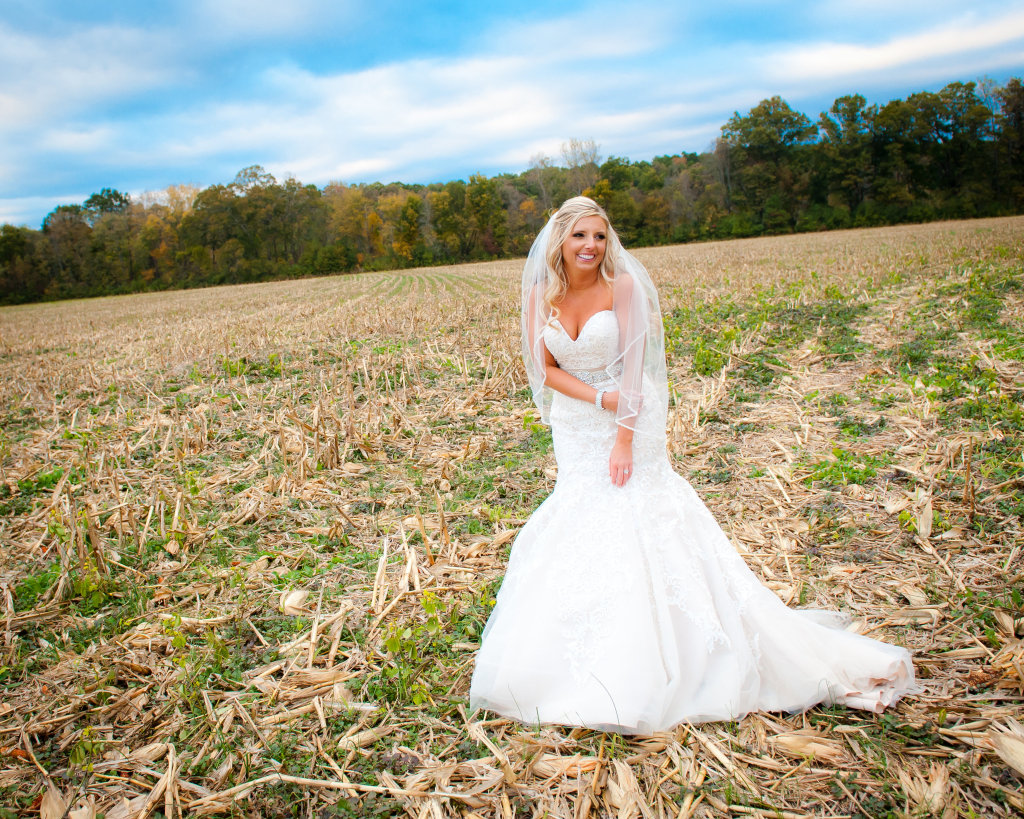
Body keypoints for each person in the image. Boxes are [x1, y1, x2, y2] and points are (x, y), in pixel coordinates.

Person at [468, 196, 918, 734]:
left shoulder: (625, 289)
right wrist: (596, 399)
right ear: (559, 241)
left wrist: (624, 440)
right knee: (583, 518)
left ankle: (687, 649)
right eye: (580, 236)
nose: (591, 246)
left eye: (600, 236)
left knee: (641, 513)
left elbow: (635, 374)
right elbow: (544, 371)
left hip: (631, 421)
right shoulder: (541, 295)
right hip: (578, 423)